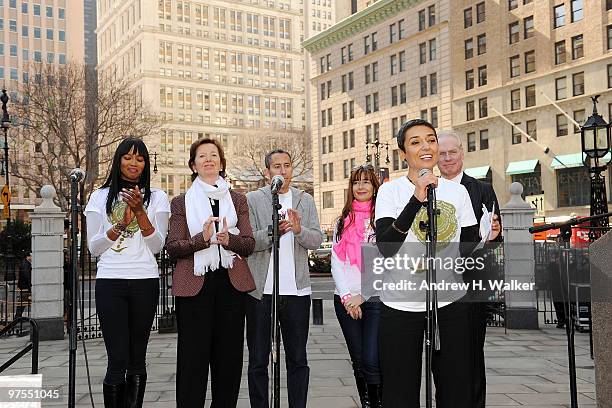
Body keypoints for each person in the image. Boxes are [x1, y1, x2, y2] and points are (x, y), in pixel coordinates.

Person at [374, 119, 485, 408]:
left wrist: (486, 238)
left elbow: (468, 249)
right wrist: (416, 198)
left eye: (431, 139)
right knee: (399, 393)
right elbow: (386, 247)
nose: (426, 146)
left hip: (449, 303)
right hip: (401, 305)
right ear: (403, 153)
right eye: (416, 142)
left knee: (455, 390)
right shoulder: (390, 192)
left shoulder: (458, 192)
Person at [166, 138, 256, 408]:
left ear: (221, 162)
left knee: (228, 359)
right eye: (202, 156)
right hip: (195, 287)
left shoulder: (238, 200)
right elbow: (173, 247)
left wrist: (230, 240)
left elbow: (249, 243)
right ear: (193, 164)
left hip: (230, 283)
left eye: (213, 155)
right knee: (193, 359)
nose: (208, 160)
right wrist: (202, 240)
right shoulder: (181, 202)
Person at [85, 138, 170, 407]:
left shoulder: (158, 197)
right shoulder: (99, 197)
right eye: (128, 157)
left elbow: (157, 245)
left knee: (137, 358)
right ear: (118, 160)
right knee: (117, 358)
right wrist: (120, 224)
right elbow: (94, 247)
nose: (134, 163)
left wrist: (141, 213)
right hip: (111, 282)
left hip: (144, 281)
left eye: (140, 158)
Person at [245, 149, 324, 408]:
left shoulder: (305, 200)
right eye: (276, 166)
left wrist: (299, 231)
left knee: (298, 359)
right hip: (261, 293)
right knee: (258, 359)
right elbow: (247, 242)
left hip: (297, 294)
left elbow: (316, 239)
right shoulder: (253, 200)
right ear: (268, 172)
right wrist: (272, 232)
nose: (283, 170)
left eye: (287, 165)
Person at [437, 131, 502, 408]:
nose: (448, 158)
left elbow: (496, 236)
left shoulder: (482, 190)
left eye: (452, 152)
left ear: (462, 153)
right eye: (442, 153)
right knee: (440, 353)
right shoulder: (428, 189)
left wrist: (495, 235)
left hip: (472, 283)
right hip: (436, 284)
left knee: (473, 352)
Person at [331, 164, 382, 408]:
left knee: (372, 359)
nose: (360, 186)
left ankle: (377, 402)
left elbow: (385, 263)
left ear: (374, 187)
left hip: (374, 299)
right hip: (345, 299)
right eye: (356, 182)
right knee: (358, 359)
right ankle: (367, 403)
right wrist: (347, 297)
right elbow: (336, 262)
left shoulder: (381, 220)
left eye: (366, 182)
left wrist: (362, 295)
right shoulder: (342, 221)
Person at [15, 252, 32, 318]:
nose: (32, 257)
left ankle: (18, 317)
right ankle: (17, 317)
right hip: (25, 286)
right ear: (28, 257)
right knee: (22, 302)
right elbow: (26, 276)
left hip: (25, 286)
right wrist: (30, 286)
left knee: (23, 302)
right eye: (31, 256)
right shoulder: (25, 264)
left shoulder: (26, 263)